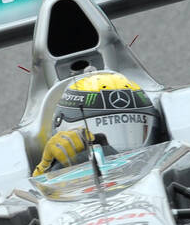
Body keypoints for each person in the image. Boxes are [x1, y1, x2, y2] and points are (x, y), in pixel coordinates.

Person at [32, 70, 164, 176]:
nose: (119, 157)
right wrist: (45, 172)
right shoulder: (51, 173)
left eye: (133, 134)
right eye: (96, 141)